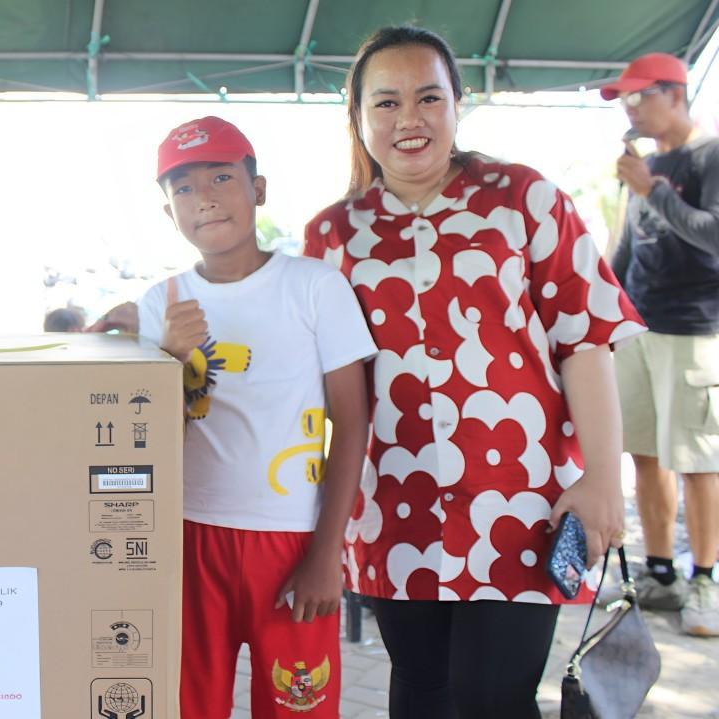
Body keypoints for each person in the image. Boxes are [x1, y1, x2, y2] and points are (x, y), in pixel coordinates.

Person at [303, 26, 646, 719]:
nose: (409, 119)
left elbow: (585, 340)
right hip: (392, 505)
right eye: (386, 102)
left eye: (429, 97)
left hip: (520, 502)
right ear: (359, 117)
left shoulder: (525, 198)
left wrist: (603, 477)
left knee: (493, 699)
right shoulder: (332, 233)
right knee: (421, 693)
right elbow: (306, 367)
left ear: (458, 103)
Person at [138, 116, 375, 719]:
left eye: (221, 177)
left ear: (258, 188)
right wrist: (169, 360)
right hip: (189, 535)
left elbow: (351, 424)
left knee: (300, 704)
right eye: (184, 188)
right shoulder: (159, 305)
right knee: (190, 704)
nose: (206, 198)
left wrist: (328, 553)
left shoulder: (314, 286)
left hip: (291, 536)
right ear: (169, 213)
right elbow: (149, 441)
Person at [604, 52, 719, 637]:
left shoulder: (710, 155)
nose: (630, 110)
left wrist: (655, 189)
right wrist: (602, 311)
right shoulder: (646, 165)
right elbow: (628, 246)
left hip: (696, 327)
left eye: (637, 97)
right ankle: (660, 574)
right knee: (643, 455)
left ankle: (706, 580)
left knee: (697, 460)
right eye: (624, 101)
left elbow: (715, 236)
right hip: (639, 328)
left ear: (674, 94)